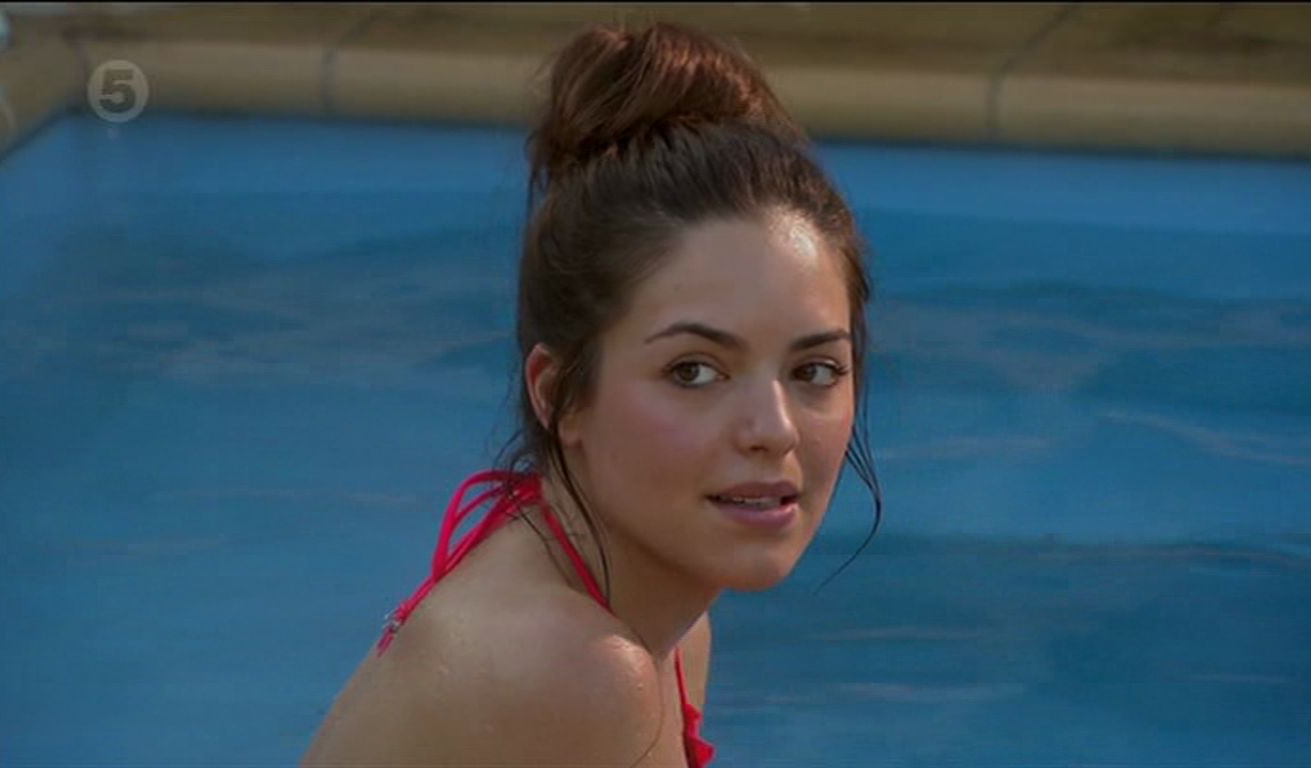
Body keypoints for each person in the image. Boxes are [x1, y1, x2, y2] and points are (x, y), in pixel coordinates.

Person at [302, 19, 881, 768]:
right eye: (693, 371)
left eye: (815, 371)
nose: (773, 430)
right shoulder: (570, 670)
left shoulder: (653, 622)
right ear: (560, 394)